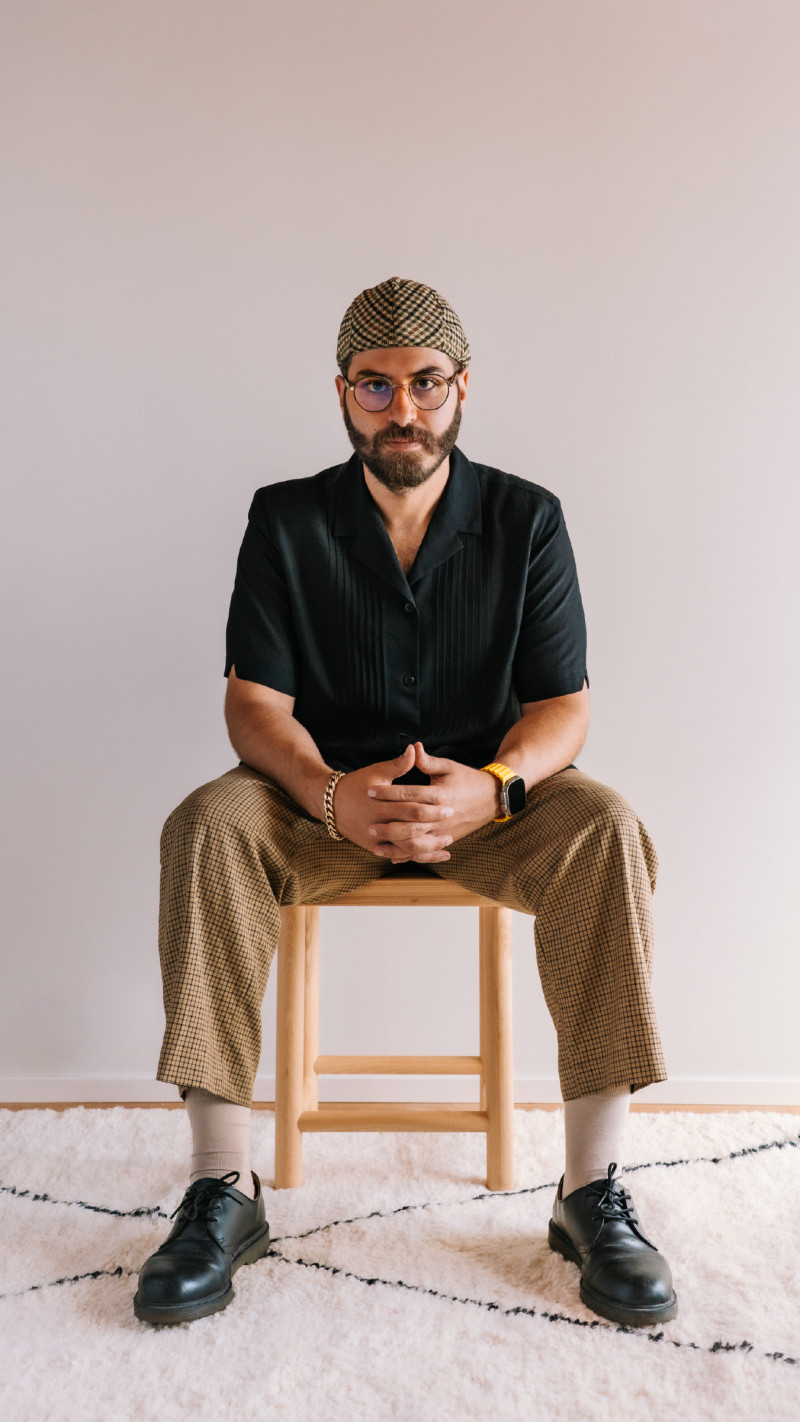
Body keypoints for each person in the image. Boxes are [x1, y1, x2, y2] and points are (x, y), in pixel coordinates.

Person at [134, 276, 677, 1329]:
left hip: (492, 810)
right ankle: (221, 1189)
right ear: (343, 393)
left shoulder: (527, 517)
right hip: (320, 806)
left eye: (424, 383)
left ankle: (590, 1193)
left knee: (608, 827)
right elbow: (254, 704)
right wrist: (331, 796)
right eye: (374, 387)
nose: (402, 409)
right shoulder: (286, 517)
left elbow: (562, 706)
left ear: (462, 386)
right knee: (205, 823)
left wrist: (496, 788)